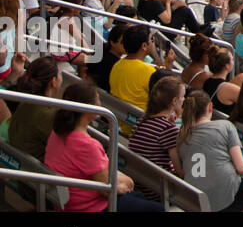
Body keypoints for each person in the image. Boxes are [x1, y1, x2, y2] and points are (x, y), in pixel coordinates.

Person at [44, 81, 163, 212]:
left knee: (138, 197)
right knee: (157, 209)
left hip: (69, 201)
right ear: (89, 107)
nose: (100, 104)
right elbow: (107, 189)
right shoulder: (86, 145)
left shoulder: (57, 132)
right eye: (98, 100)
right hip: (89, 206)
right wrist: (128, 181)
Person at [177, 89, 243, 212]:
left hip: (195, 199)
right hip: (225, 196)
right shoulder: (225, 126)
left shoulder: (181, 136)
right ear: (210, 107)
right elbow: (241, 167)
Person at [126, 76, 185, 201]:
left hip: (140, 183)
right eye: (182, 97)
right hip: (157, 190)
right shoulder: (168, 129)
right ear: (174, 101)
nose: (183, 100)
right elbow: (180, 170)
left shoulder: (142, 120)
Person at [109, 24, 174, 114]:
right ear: (144, 46)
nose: (153, 43)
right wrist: (169, 67)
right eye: (151, 40)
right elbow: (169, 96)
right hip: (141, 122)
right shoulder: (149, 72)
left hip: (121, 119)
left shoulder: (117, 65)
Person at [6, 56, 62, 159]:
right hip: (32, 169)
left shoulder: (25, 103)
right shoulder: (46, 114)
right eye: (60, 75)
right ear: (53, 81)